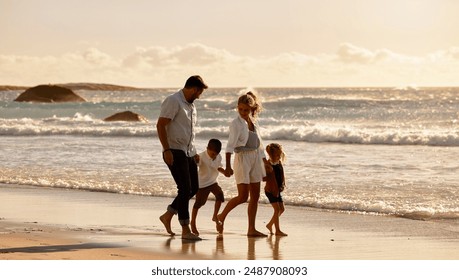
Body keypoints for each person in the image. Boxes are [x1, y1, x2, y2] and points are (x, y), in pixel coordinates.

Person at [156, 75, 208, 240]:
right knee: (184, 188)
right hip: (174, 150)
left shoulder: (191, 106)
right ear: (193, 89)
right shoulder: (173, 101)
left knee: (193, 188)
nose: (199, 96)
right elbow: (160, 125)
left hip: (188, 152)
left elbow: (187, 131)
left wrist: (194, 152)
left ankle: (168, 215)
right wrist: (166, 150)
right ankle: (185, 230)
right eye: (199, 92)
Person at [216, 91, 271, 237]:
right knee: (242, 196)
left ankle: (251, 229)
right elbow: (229, 146)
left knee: (255, 196)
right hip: (242, 159)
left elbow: (259, 145)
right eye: (240, 109)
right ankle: (221, 216)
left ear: (252, 109)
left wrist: (265, 162)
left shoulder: (254, 121)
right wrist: (228, 166)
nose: (243, 112)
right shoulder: (236, 124)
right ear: (237, 108)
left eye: (246, 110)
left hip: (255, 158)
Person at [190, 139, 227, 236]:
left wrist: (225, 172)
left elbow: (218, 167)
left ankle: (215, 216)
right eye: (212, 153)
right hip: (202, 184)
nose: (214, 156)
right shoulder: (201, 156)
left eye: (216, 154)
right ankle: (193, 222)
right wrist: (196, 160)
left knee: (220, 195)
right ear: (207, 149)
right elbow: (197, 164)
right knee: (199, 203)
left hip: (213, 182)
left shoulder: (218, 157)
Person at [264, 143, 288, 236]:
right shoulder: (268, 164)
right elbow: (264, 178)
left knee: (282, 209)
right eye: (277, 155)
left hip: (277, 190)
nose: (279, 156)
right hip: (270, 190)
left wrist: (283, 184)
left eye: (280, 154)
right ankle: (277, 230)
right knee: (277, 209)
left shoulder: (279, 163)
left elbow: (281, 174)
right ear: (271, 155)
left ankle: (269, 224)